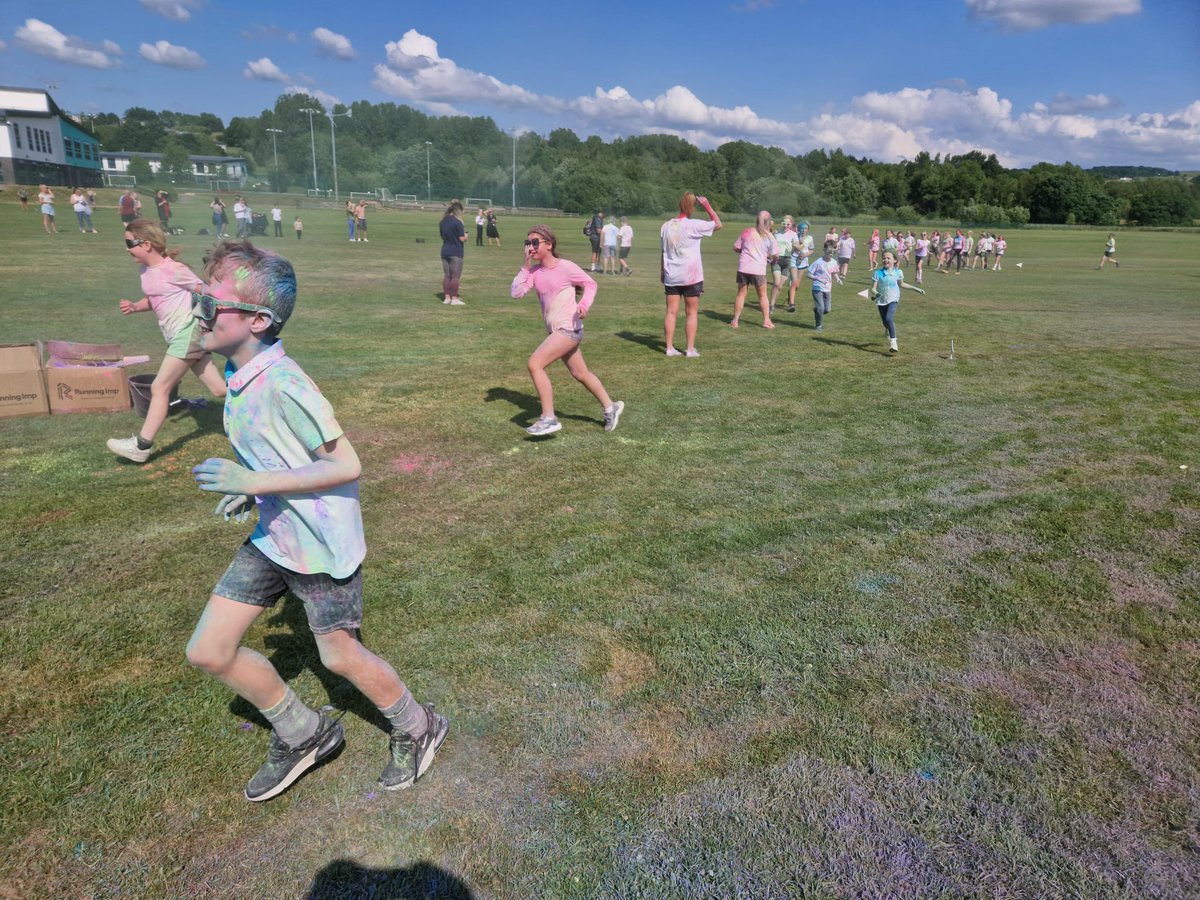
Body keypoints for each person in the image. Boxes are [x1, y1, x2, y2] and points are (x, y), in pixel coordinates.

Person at [185, 239, 449, 802]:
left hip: (321, 546)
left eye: (210, 307)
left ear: (257, 320)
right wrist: (253, 492)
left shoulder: (285, 384)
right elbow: (278, 453)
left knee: (338, 655)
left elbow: (345, 463)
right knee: (209, 651)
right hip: (274, 537)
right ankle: (304, 732)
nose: (198, 316)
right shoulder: (240, 374)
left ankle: (419, 724)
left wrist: (253, 481)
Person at [106, 219, 227, 463]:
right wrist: (135, 306)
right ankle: (264, 406)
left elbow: (204, 291)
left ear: (146, 244)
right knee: (219, 389)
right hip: (177, 336)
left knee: (159, 388)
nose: (127, 248)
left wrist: (217, 315)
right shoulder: (146, 272)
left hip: (188, 332)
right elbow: (154, 298)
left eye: (129, 242)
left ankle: (141, 447)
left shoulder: (173, 269)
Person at [510, 225, 623, 436]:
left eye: (535, 243)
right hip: (557, 332)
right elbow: (516, 293)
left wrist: (584, 305)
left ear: (549, 245)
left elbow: (590, 284)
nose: (531, 248)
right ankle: (611, 407)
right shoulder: (534, 272)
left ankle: (549, 418)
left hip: (568, 329)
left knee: (535, 364)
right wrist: (525, 267)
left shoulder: (566, 267)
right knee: (580, 373)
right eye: (528, 243)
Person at [660, 191, 722, 358]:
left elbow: (663, 251)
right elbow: (718, 224)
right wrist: (708, 206)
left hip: (671, 275)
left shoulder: (666, 226)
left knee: (671, 312)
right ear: (692, 207)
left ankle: (669, 347)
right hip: (691, 276)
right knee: (691, 312)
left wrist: (662, 272)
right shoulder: (694, 224)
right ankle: (690, 349)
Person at [869, 248, 924, 354]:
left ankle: (894, 343)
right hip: (881, 301)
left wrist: (916, 289)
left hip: (893, 299)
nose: (886, 260)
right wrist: (876, 293)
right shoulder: (878, 273)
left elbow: (902, 284)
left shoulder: (898, 272)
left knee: (889, 318)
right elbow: (873, 288)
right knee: (885, 322)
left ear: (894, 260)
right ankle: (888, 329)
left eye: (888, 258)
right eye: (884, 258)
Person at [731, 210, 777, 329]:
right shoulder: (770, 236)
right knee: (762, 295)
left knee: (741, 295)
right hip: (758, 269)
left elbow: (736, 248)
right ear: (769, 223)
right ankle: (766, 321)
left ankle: (735, 320)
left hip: (743, 267)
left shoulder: (747, 231)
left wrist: (746, 252)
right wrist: (769, 257)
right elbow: (775, 254)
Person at [806, 241, 842, 332]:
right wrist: (817, 278)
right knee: (821, 308)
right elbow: (809, 274)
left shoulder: (833, 262)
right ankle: (818, 326)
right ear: (824, 250)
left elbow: (834, 272)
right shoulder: (818, 262)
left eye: (833, 252)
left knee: (827, 310)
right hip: (817, 288)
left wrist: (837, 279)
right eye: (828, 252)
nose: (830, 254)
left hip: (828, 289)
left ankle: (817, 310)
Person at [769, 216, 799, 314]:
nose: (785, 226)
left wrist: (796, 247)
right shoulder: (777, 233)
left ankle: (771, 303)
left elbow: (796, 244)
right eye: (784, 223)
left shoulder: (794, 234)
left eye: (788, 224)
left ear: (791, 225)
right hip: (777, 260)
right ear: (781, 223)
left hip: (787, 261)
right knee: (777, 283)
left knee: (780, 286)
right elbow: (769, 244)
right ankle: (771, 306)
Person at [439, 201, 467, 305]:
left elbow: (442, 236)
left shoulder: (442, 221)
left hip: (445, 250)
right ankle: (454, 298)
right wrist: (466, 236)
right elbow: (461, 238)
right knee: (455, 276)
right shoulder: (458, 222)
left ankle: (447, 298)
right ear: (458, 211)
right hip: (456, 251)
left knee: (447, 276)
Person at [788, 221, 815, 313]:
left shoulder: (810, 238)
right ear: (799, 229)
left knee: (797, 284)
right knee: (794, 281)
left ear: (808, 230)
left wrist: (806, 254)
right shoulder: (794, 236)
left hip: (803, 262)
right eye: (802, 228)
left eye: (805, 228)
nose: (803, 230)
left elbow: (812, 250)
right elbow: (792, 248)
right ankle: (791, 304)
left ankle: (790, 296)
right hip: (793, 260)